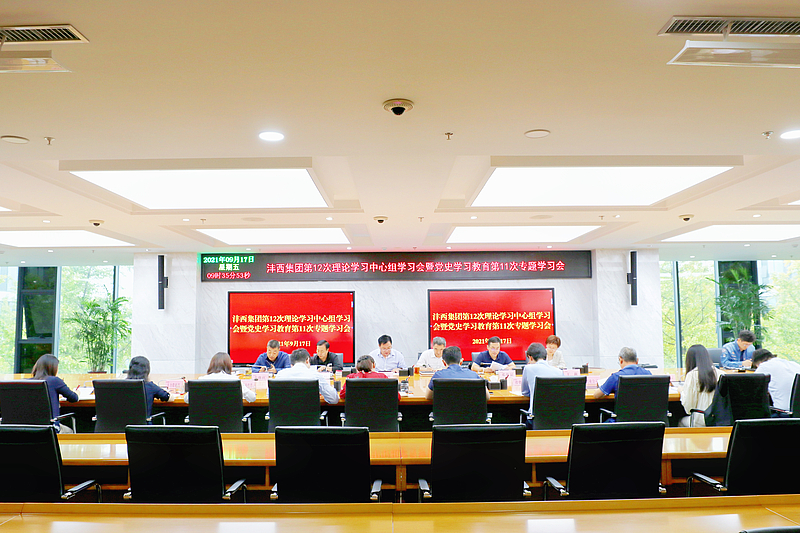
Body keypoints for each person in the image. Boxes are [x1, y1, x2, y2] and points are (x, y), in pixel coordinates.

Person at [30, 354, 79, 433]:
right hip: (51, 428)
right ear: (53, 368)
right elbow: (74, 398)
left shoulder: (26, 382)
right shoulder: (55, 380)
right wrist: (77, 392)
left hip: (29, 428)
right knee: (69, 431)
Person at [679, 344, 724, 427]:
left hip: (700, 420)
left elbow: (689, 407)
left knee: (680, 421)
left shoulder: (692, 375)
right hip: (719, 421)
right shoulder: (721, 374)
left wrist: (682, 392)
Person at [273, 348, 339, 404]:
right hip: (310, 414)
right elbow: (334, 399)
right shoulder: (315, 376)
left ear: (291, 364)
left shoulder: (280, 375)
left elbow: (271, 396)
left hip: (284, 414)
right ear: (307, 360)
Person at [186, 352, 256, 403]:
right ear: (229, 365)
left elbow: (186, 399)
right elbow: (252, 398)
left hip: (205, 418)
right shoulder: (234, 380)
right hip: (230, 418)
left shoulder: (202, 380)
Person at [521, 342, 563, 415]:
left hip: (536, 418)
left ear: (530, 358)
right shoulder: (559, 372)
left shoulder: (528, 368)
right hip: (558, 417)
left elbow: (525, 392)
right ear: (546, 357)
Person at [752, 348, 800, 412]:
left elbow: (754, 389)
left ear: (759, 363)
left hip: (783, 412)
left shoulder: (764, 366)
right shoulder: (794, 364)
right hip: (797, 412)